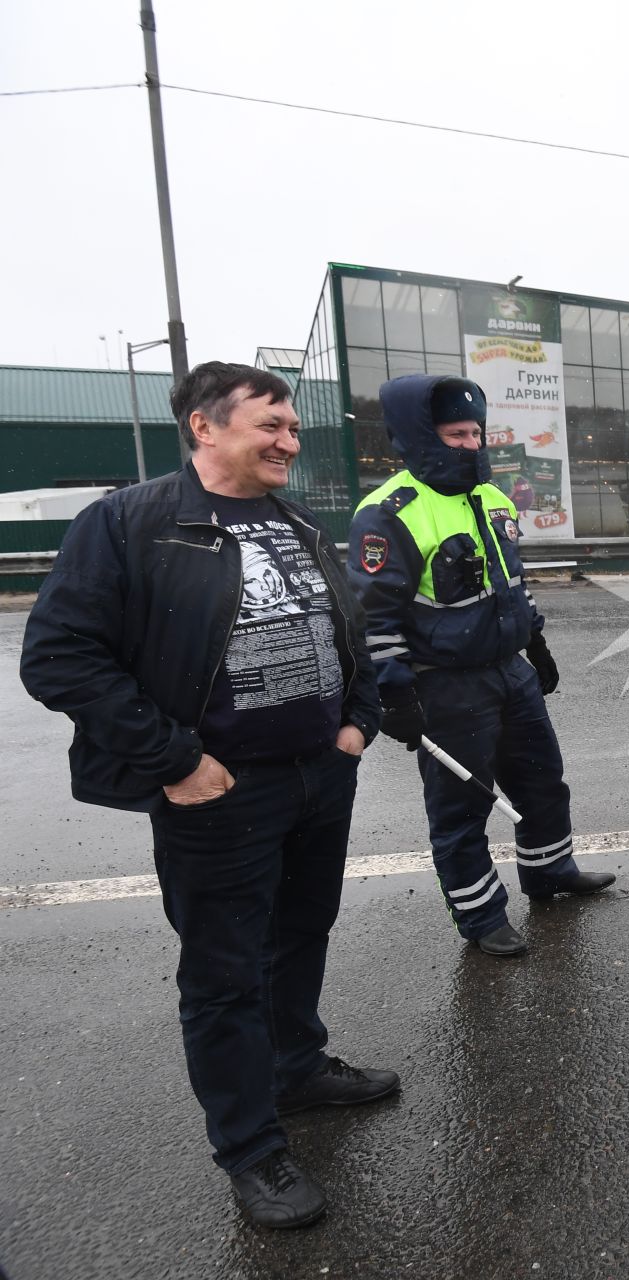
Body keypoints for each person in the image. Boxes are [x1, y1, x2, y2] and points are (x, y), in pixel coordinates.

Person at [20, 362, 393, 1229]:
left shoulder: (295, 518)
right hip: (218, 796)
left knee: (302, 934)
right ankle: (251, 1150)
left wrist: (358, 721)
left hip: (318, 777)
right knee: (224, 975)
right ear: (204, 426)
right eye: (273, 427)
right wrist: (174, 760)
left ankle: (296, 1068)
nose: (290, 444)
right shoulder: (128, 523)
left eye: (294, 429)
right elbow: (59, 658)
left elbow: (347, 624)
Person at [346, 375, 613, 959]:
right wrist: (394, 696)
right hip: (444, 684)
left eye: (476, 433)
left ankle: (550, 874)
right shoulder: (389, 514)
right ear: (421, 437)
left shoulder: (491, 497)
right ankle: (481, 916)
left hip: (509, 669)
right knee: (463, 807)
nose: (471, 444)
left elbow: (511, 583)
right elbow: (374, 620)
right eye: (455, 434)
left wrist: (536, 644)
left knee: (543, 780)